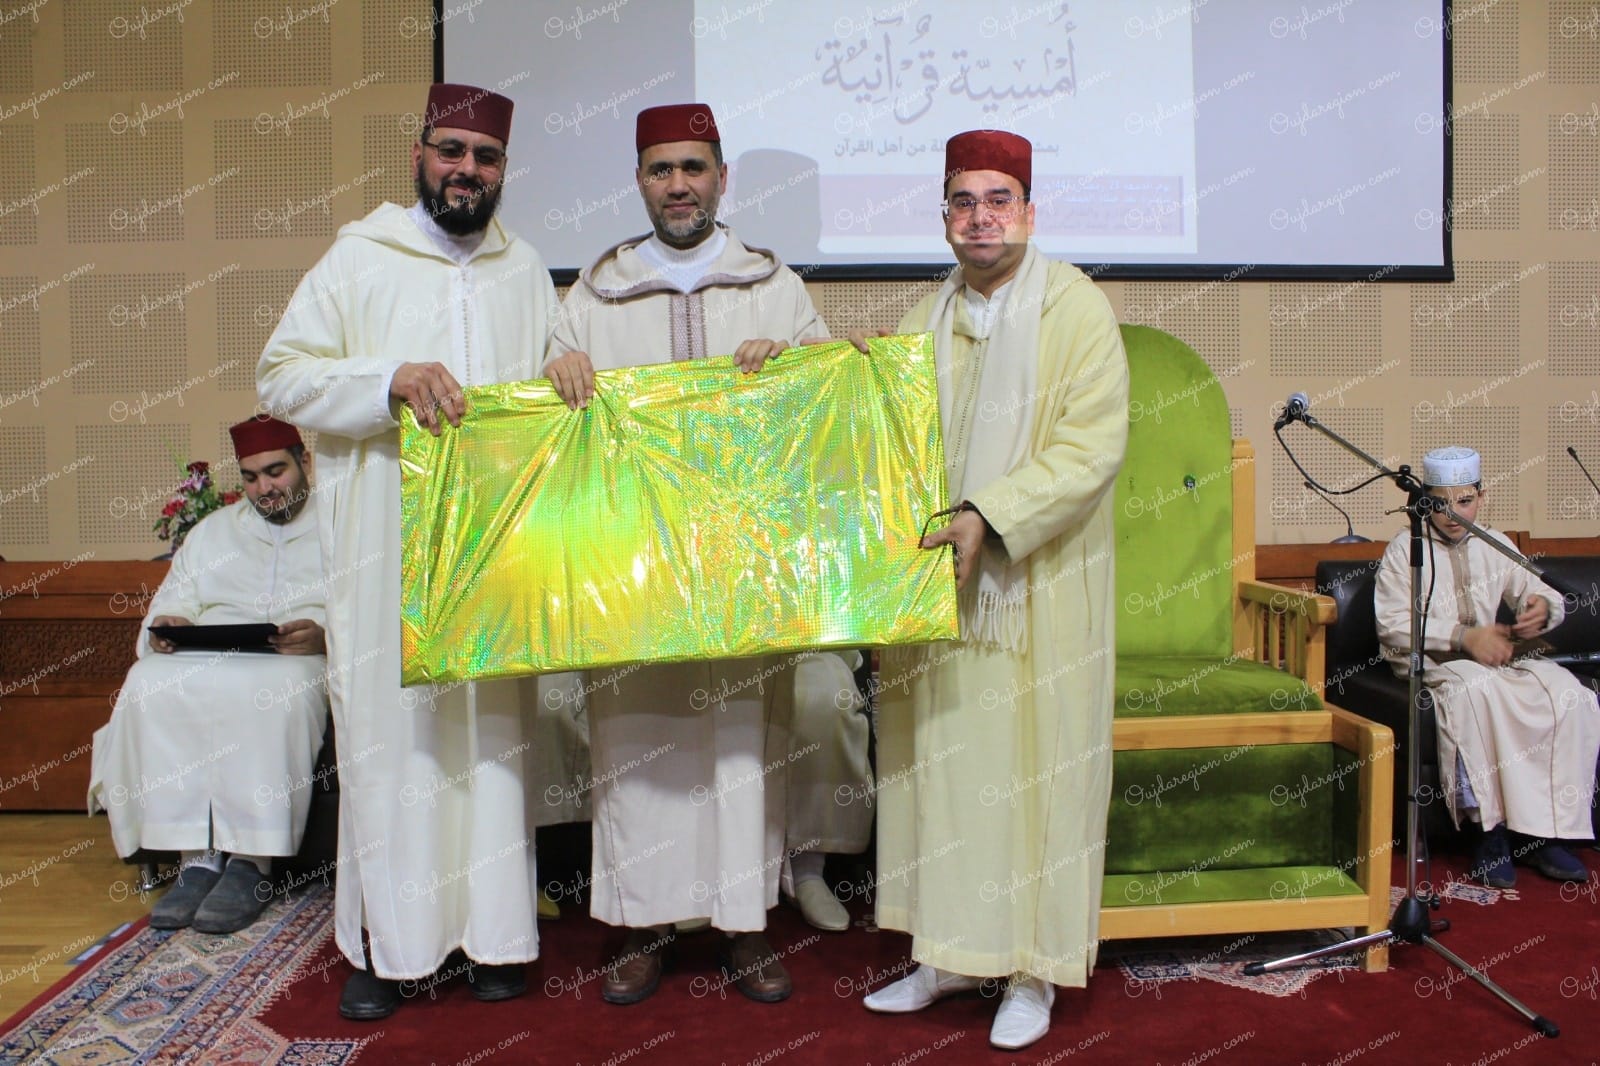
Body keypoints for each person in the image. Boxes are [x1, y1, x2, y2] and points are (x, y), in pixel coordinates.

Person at [256, 83, 558, 1020]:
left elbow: (551, 389)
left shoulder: (525, 268)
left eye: (485, 156)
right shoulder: (361, 256)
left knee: (491, 738)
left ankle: (495, 937)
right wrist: (387, 378)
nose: (467, 170)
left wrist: (564, 365)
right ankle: (389, 948)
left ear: (504, 169)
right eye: (451, 150)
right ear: (420, 153)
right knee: (392, 743)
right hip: (384, 547)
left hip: (492, 551)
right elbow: (281, 376)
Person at [544, 102, 837, 1004]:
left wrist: (791, 363)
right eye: (661, 169)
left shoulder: (772, 285)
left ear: (721, 178)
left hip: (741, 562)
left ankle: (744, 926)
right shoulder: (595, 292)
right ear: (640, 179)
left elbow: (829, 399)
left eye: (694, 168)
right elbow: (550, 410)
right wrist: (554, 372)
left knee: (742, 743)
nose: (679, 185)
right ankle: (641, 927)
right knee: (635, 743)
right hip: (631, 562)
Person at [849, 130, 1129, 1051]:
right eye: (963, 201)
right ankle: (944, 956)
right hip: (942, 597)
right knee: (939, 773)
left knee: (1036, 779)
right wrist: (834, 377)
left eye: (998, 199)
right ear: (944, 217)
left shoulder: (1075, 309)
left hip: (1037, 592)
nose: (980, 217)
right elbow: (884, 440)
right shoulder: (921, 318)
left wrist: (989, 514)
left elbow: (1092, 448)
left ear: (1030, 213)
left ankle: (1031, 973)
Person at [89, 415, 328, 935]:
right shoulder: (213, 532)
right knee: (150, 683)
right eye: (250, 477)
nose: (264, 488)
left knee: (270, 692)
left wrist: (327, 636)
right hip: (209, 653)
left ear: (305, 463)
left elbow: (372, 608)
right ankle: (194, 860)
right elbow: (172, 602)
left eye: (276, 472)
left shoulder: (341, 527)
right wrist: (169, 625)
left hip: (294, 659)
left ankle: (252, 865)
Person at [1374, 446, 1598, 888]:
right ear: (1424, 502)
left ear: (1481, 495)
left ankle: (1548, 833)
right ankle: (1488, 832)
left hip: (1496, 659)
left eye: (1464, 501)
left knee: (1570, 694)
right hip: (1437, 663)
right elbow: (1392, 625)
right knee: (1475, 690)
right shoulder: (1405, 549)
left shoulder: (1495, 543)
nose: (1453, 514)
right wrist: (1463, 637)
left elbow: (1539, 592)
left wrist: (1540, 609)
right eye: (1441, 503)